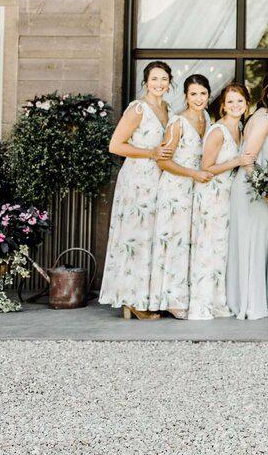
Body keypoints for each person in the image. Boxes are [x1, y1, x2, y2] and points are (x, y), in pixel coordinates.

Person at [101, 61, 175, 320]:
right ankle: (130, 300)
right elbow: (115, 145)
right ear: (145, 82)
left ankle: (146, 297)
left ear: (170, 82)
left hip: (159, 180)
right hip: (137, 180)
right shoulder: (137, 109)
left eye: (163, 79)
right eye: (154, 79)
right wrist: (150, 152)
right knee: (135, 238)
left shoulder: (168, 109)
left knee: (151, 238)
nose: (159, 84)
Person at [147, 74, 213, 318]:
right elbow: (163, 161)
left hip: (196, 189)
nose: (198, 98)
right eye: (193, 94)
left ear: (209, 95)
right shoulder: (178, 122)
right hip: (175, 188)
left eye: (203, 93)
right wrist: (193, 174)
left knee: (188, 243)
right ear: (186, 96)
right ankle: (170, 300)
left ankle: (186, 295)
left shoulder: (207, 118)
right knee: (174, 242)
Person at [227, 70, 268, 321]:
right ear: (267, 92)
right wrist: (262, 188)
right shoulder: (263, 119)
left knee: (255, 242)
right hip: (249, 188)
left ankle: (247, 298)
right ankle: (249, 303)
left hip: (253, 187)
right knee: (253, 242)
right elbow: (248, 159)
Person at [188, 82, 249, 321]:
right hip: (212, 194)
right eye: (230, 101)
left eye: (240, 101)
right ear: (223, 106)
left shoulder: (241, 128)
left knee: (222, 249)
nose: (235, 105)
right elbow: (206, 167)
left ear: (246, 104)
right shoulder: (218, 131)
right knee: (209, 248)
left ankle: (218, 301)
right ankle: (202, 303)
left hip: (228, 196)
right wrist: (237, 161)